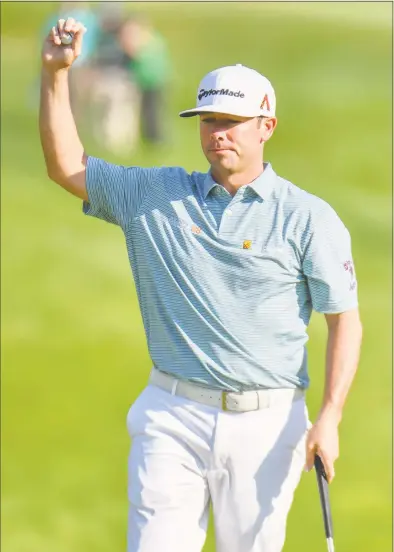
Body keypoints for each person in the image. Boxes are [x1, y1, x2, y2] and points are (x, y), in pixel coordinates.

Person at [39, 18, 363, 552]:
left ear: (267, 125)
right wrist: (54, 75)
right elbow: (65, 165)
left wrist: (330, 415)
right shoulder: (156, 195)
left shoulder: (308, 218)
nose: (218, 131)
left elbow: (343, 318)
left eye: (233, 121)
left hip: (268, 423)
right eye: (209, 118)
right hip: (171, 415)